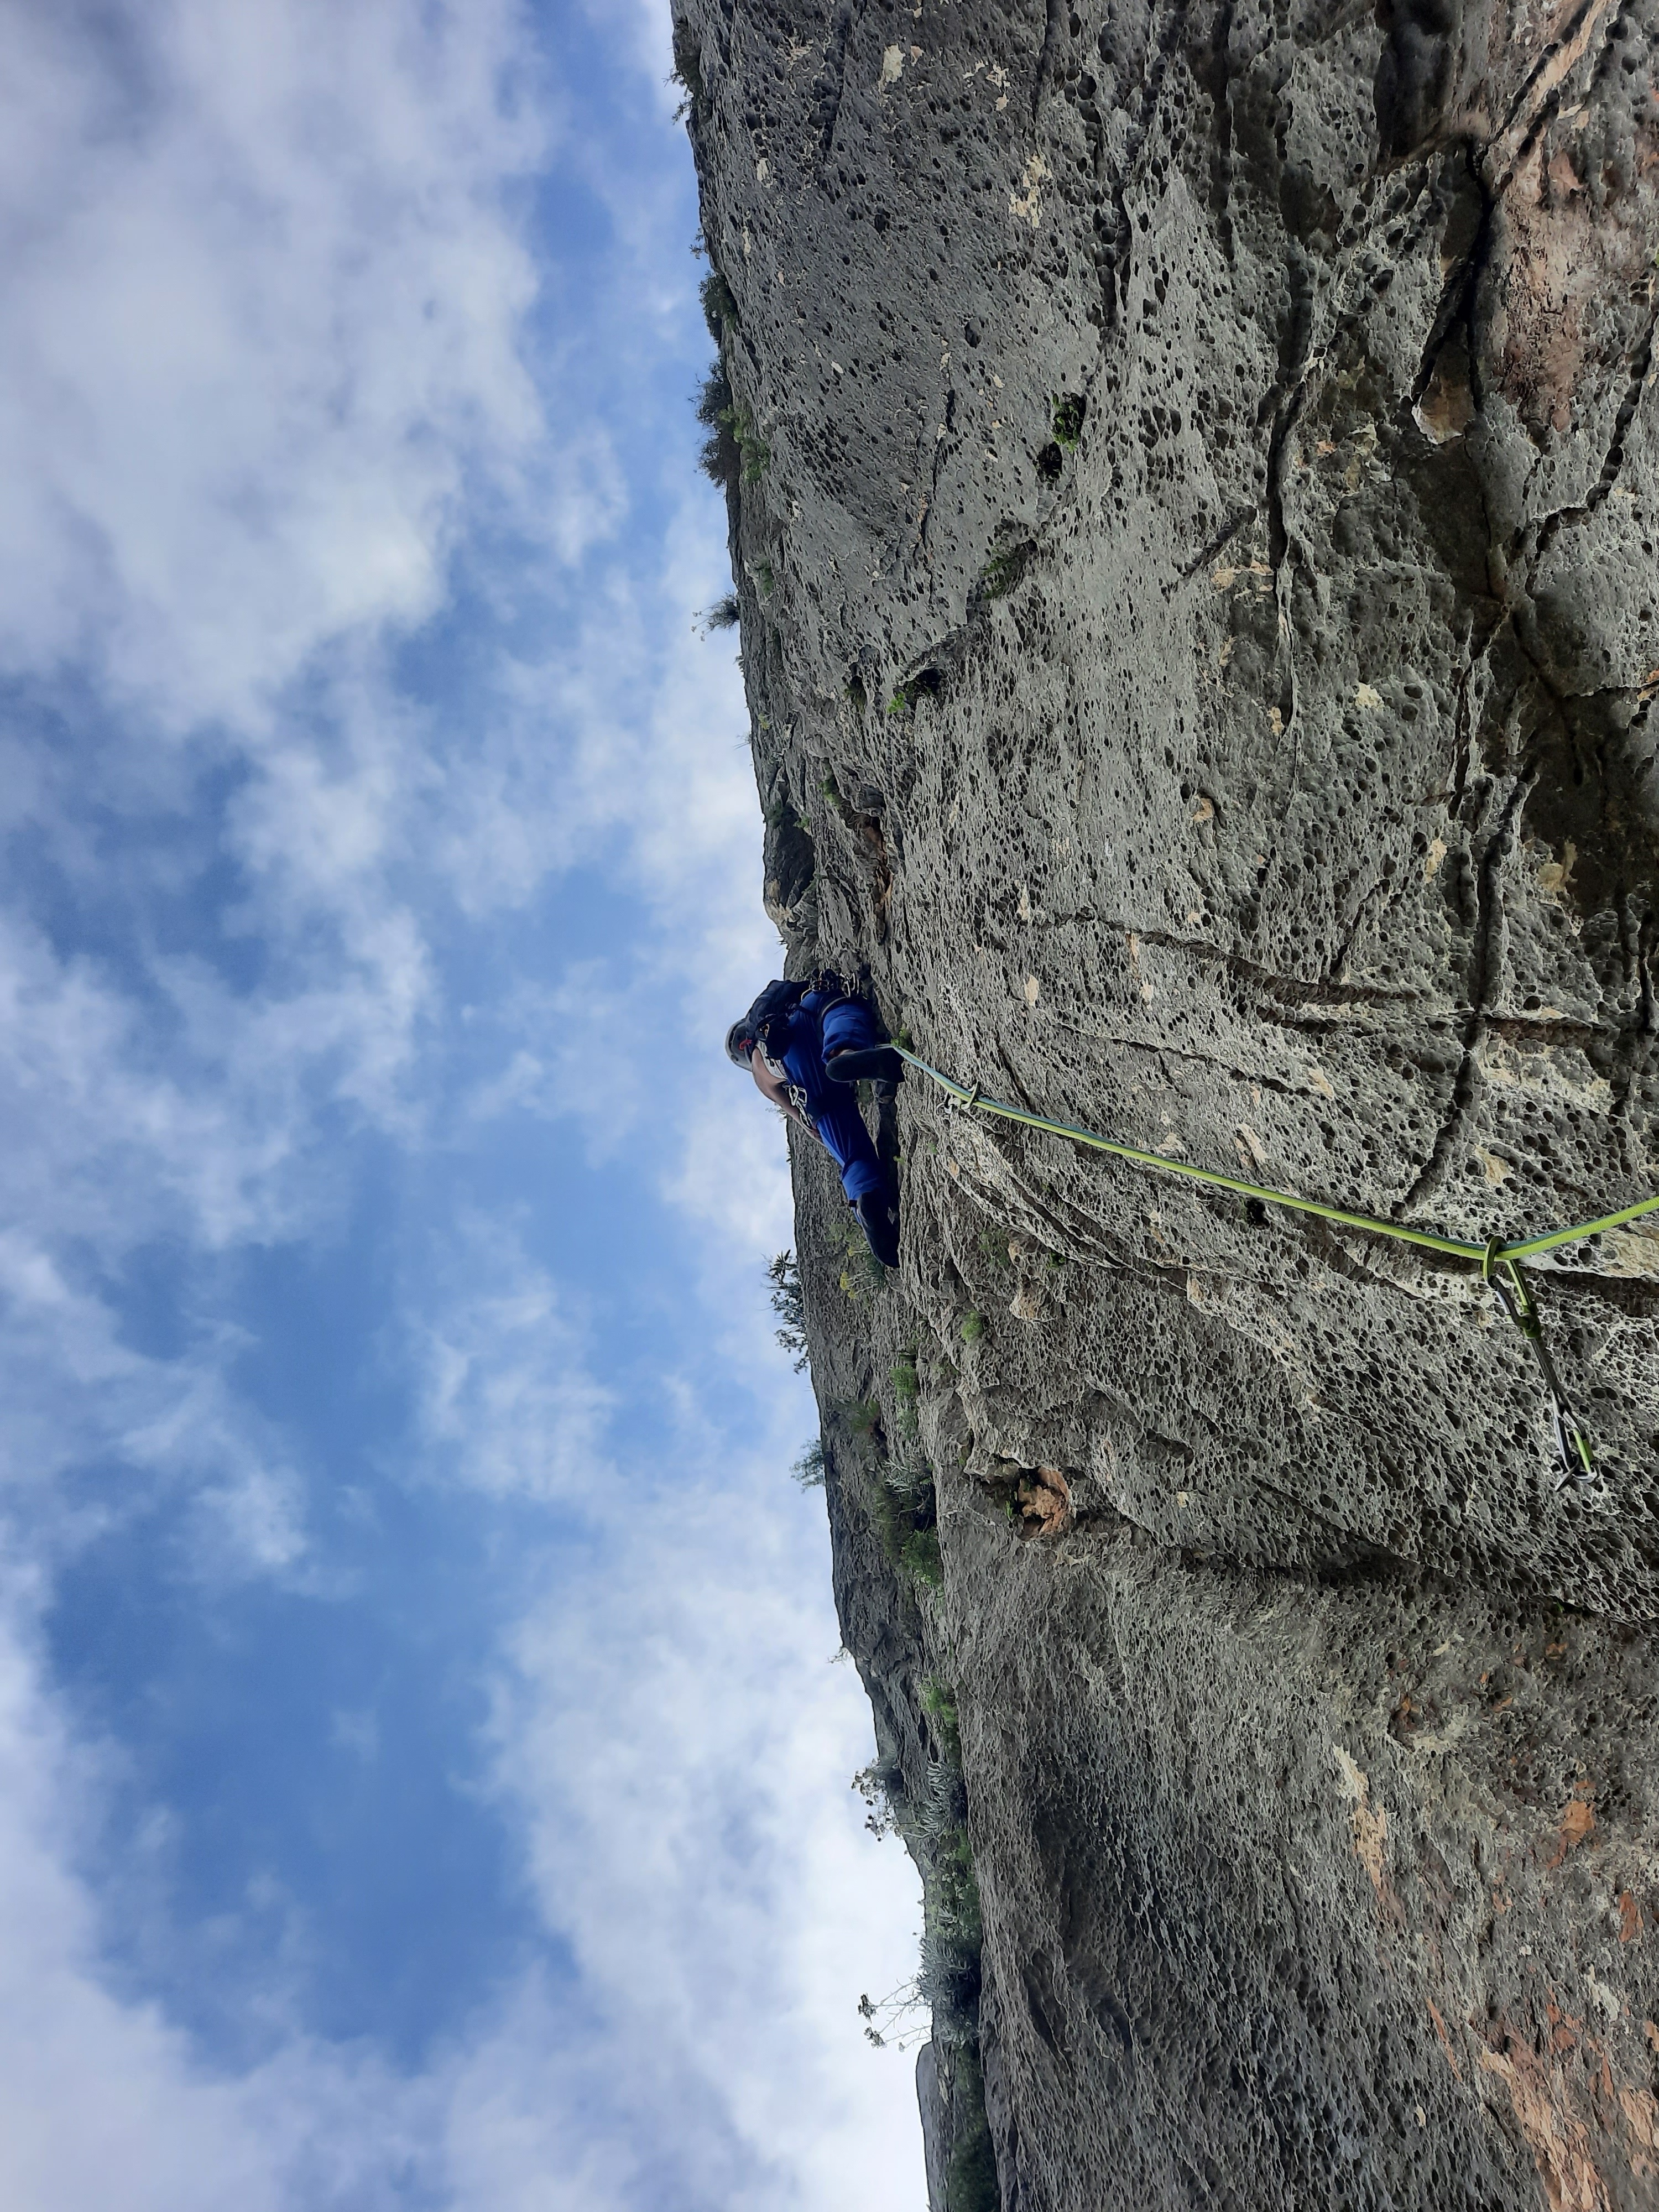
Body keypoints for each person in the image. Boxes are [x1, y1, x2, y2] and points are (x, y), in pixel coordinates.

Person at [726, 978, 904, 1267]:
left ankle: (865, 1197)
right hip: (809, 1012)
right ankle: (847, 1053)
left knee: (851, 1153)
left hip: (796, 1071)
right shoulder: (772, 1012)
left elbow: (797, 1115)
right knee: (841, 1013)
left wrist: (815, 1126)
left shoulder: (759, 1070)